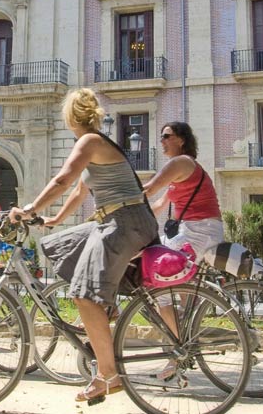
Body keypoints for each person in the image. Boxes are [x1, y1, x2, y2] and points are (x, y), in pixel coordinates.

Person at [10, 88, 159, 403]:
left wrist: (29, 210)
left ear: (69, 117)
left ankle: (108, 375)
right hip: (115, 220)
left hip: (125, 221)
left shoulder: (90, 141)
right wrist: (52, 219)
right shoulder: (95, 145)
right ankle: (107, 303)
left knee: (82, 294)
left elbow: (63, 179)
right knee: (63, 243)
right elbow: (79, 190)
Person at [143, 121, 224, 379]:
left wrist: (118, 203)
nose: (162, 141)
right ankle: (187, 328)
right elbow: (157, 204)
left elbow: (148, 189)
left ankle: (178, 351)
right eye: (162, 136)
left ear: (181, 139)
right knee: (169, 281)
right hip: (197, 230)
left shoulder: (180, 163)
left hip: (198, 231)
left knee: (157, 277)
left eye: (166, 136)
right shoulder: (180, 172)